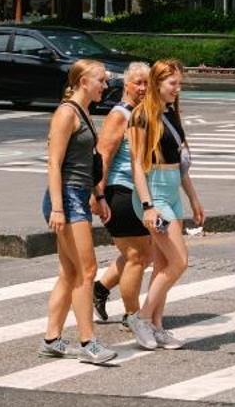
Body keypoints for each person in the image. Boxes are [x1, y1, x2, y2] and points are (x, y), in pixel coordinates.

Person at [37, 59, 118, 365]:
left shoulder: (83, 111)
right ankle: (88, 342)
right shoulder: (65, 113)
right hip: (66, 199)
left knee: (69, 272)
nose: (105, 85)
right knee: (87, 270)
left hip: (79, 196)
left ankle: (52, 339)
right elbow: (53, 164)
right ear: (84, 81)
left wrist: (98, 195)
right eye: (101, 80)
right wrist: (58, 208)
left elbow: (90, 162)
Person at [129, 59, 206, 349]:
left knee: (163, 264)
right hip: (155, 193)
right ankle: (142, 317)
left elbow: (181, 165)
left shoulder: (171, 113)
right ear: (157, 83)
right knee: (179, 261)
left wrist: (194, 198)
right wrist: (148, 205)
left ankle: (157, 326)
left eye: (179, 83)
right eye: (173, 83)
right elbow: (137, 165)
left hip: (173, 189)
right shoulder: (140, 116)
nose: (177, 88)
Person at [93, 63, 154, 342]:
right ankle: (133, 315)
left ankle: (101, 289)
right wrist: (99, 194)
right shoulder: (121, 114)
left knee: (142, 254)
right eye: (137, 83)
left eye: (146, 83)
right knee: (137, 256)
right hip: (120, 192)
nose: (142, 88)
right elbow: (103, 155)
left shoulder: (142, 114)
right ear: (126, 85)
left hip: (137, 192)